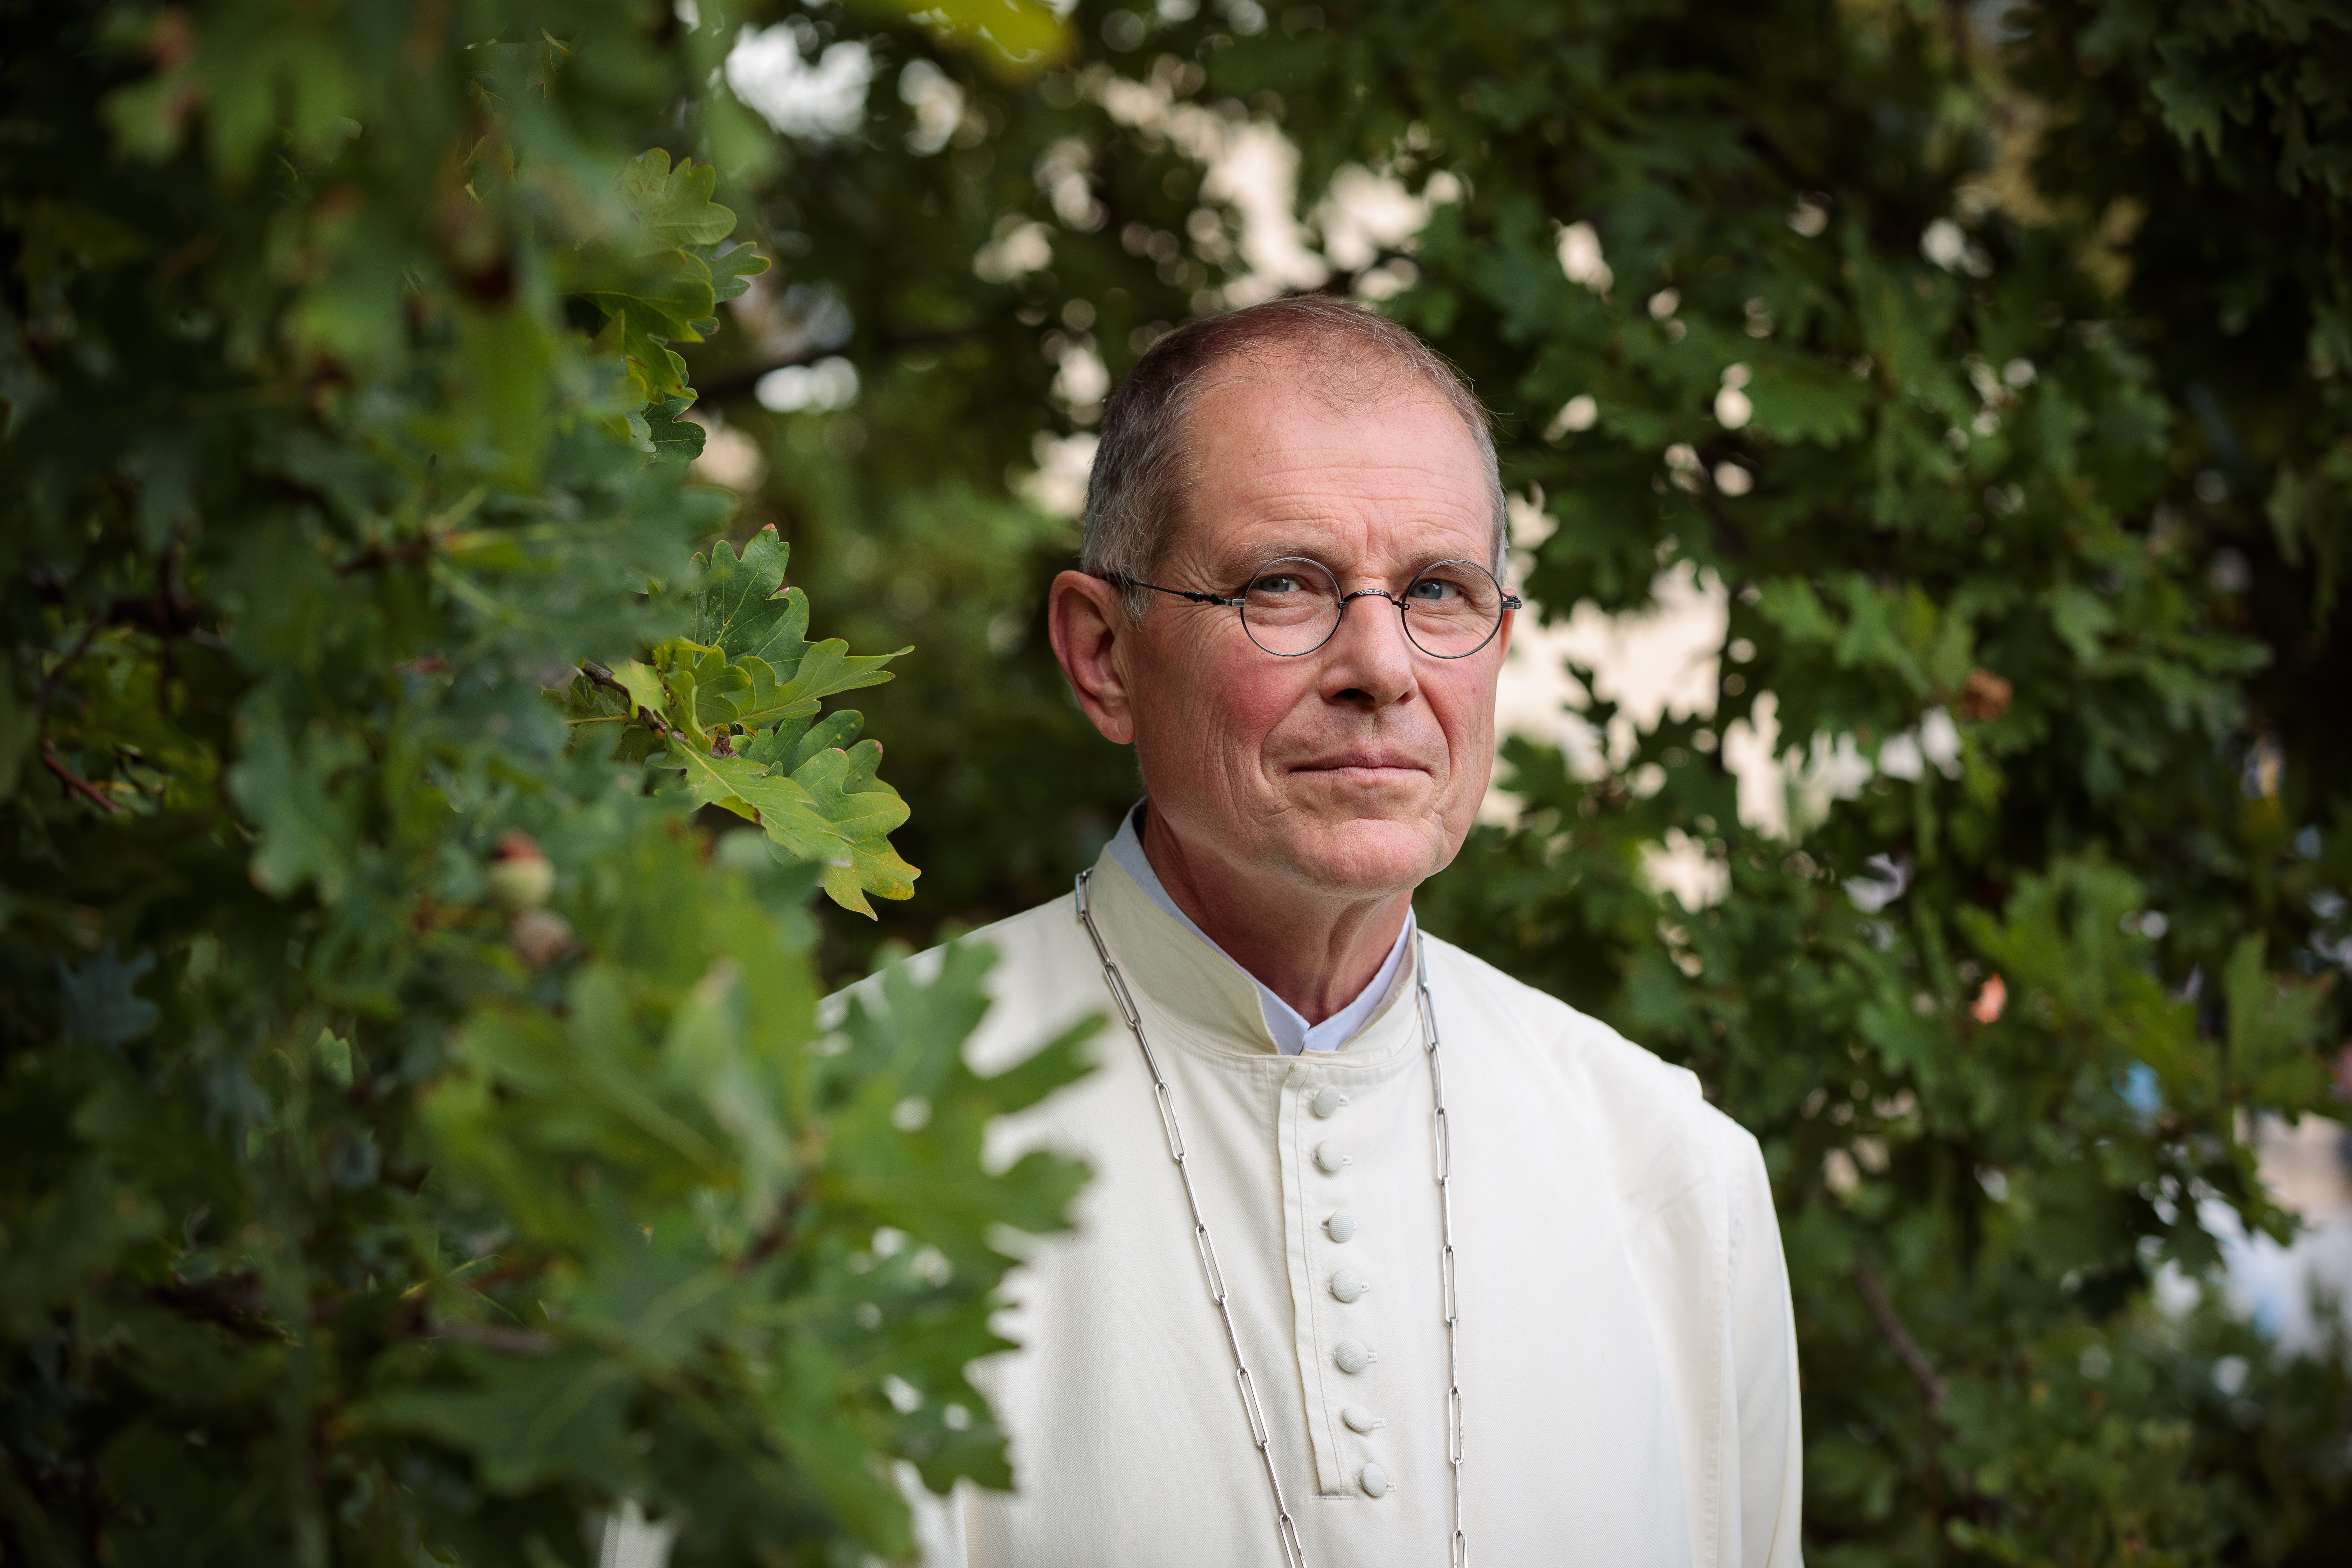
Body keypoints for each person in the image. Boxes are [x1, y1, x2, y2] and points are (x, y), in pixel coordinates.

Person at [849, 296, 1802, 1567]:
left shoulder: (1675, 1175)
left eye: (1440, 590)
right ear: (1103, 656)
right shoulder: (845, 1138)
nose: (1381, 666)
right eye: (1284, 585)